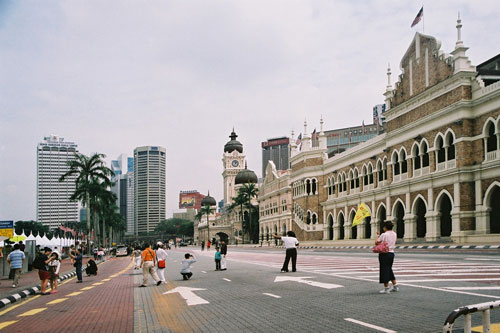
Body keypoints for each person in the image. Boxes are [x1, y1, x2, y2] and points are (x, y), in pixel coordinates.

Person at [376, 221, 399, 294]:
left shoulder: (384, 234)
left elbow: (376, 242)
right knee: (389, 269)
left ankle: (386, 288)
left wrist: (378, 236)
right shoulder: (394, 234)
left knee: (384, 270)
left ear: (385, 227)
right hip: (391, 253)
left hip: (384, 254)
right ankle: (395, 286)